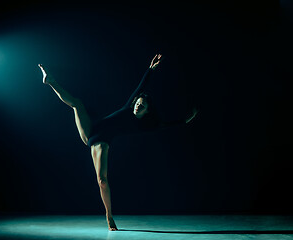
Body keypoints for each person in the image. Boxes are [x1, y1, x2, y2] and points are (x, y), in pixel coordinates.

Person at [38, 54, 197, 231]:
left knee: (102, 180)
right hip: (92, 129)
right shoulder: (129, 107)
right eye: (137, 103)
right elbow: (141, 86)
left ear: (147, 111)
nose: (137, 106)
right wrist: (151, 69)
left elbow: (162, 125)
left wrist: (183, 121)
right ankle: (50, 81)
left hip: (100, 141)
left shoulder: (143, 126)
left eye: (141, 106)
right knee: (77, 104)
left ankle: (109, 215)